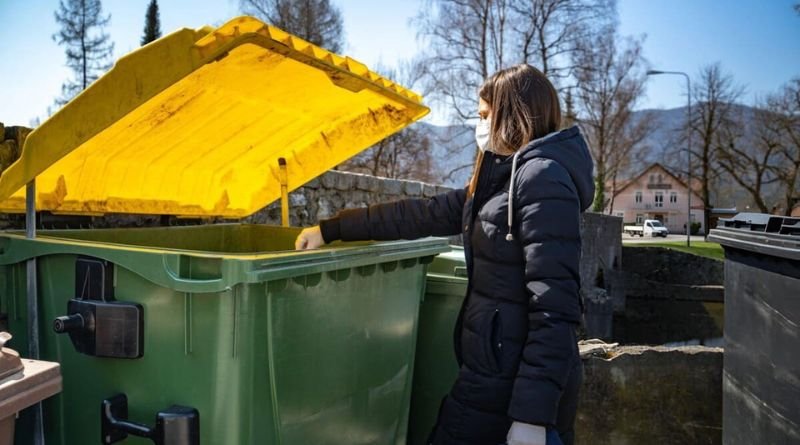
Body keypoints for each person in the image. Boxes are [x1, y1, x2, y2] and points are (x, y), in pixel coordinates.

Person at [295, 64, 594, 445]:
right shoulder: (501, 178)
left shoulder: (542, 179)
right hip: (492, 375)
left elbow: (556, 307)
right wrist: (333, 229)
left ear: (514, 114)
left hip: (515, 389)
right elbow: (422, 214)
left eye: (486, 115)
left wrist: (531, 417)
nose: (479, 124)